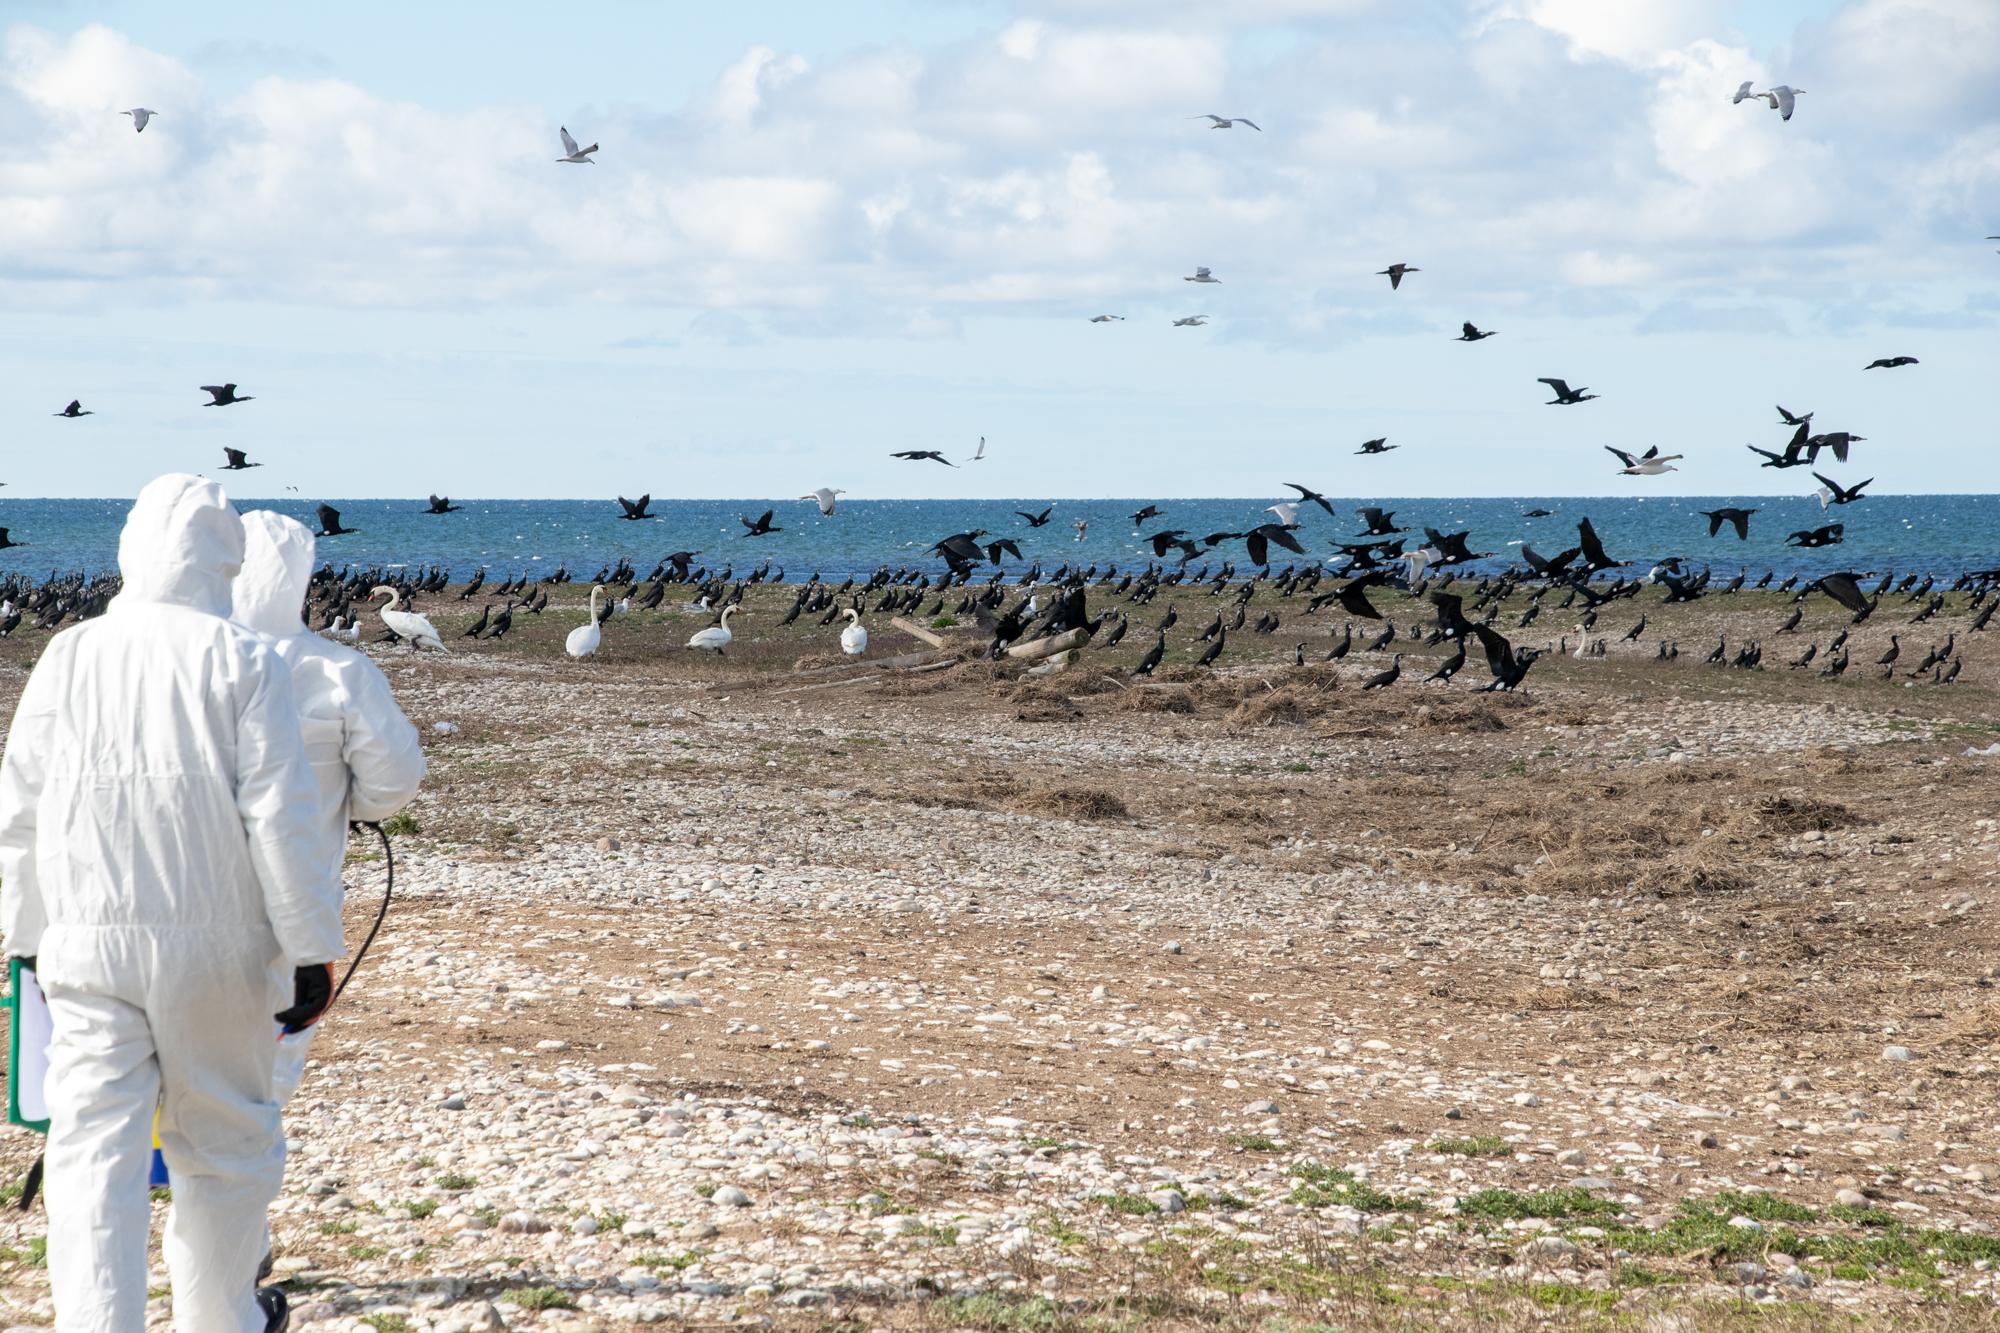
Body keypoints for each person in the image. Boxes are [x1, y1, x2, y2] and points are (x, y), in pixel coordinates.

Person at [0, 475, 334, 1333]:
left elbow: (19, 809)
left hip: (84, 945)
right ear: (227, 561)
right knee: (223, 1148)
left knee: (91, 1153)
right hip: (217, 948)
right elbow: (282, 816)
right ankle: (223, 1321)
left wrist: (24, 937)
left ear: (132, 551)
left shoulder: (70, 652)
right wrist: (307, 944)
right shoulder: (244, 657)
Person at [229, 510, 425, 1109]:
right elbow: (394, 779)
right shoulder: (341, 669)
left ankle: (149, 1175)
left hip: (175, 890)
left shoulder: (182, 662)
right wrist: (344, 802)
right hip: (295, 902)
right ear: (301, 580)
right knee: (262, 1075)